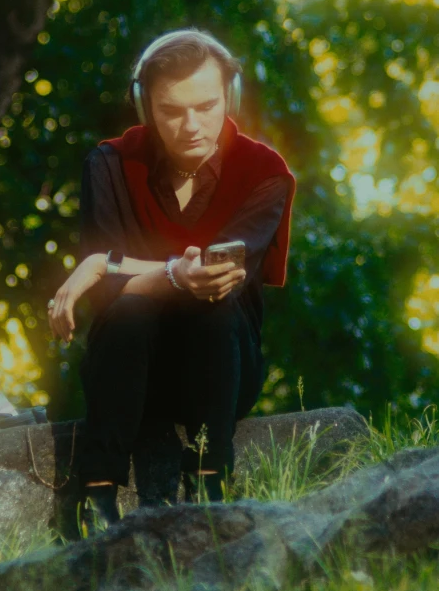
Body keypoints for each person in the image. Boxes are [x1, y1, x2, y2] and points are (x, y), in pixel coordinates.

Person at [48, 29, 296, 527]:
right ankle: (96, 497)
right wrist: (147, 274)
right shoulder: (110, 163)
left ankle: (212, 480)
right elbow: (112, 297)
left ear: (231, 96)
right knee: (130, 309)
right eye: (171, 110)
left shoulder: (265, 171)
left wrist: (104, 264)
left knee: (214, 306)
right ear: (145, 107)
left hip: (222, 370)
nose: (191, 126)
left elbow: (214, 276)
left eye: (206, 106)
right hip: (129, 374)